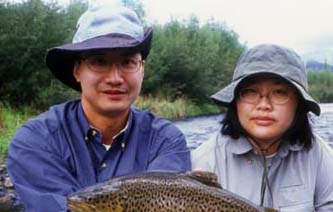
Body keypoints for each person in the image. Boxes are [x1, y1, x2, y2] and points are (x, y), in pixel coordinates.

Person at [6, 3, 190, 211]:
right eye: (99, 61)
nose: (115, 78)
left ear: (142, 70)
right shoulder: (35, 141)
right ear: (77, 70)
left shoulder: (167, 141)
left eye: (128, 62)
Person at [192, 44, 333, 211]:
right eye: (250, 91)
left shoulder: (319, 155)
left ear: (299, 104)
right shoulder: (204, 160)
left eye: (279, 92)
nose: (264, 105)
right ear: (235, 101)